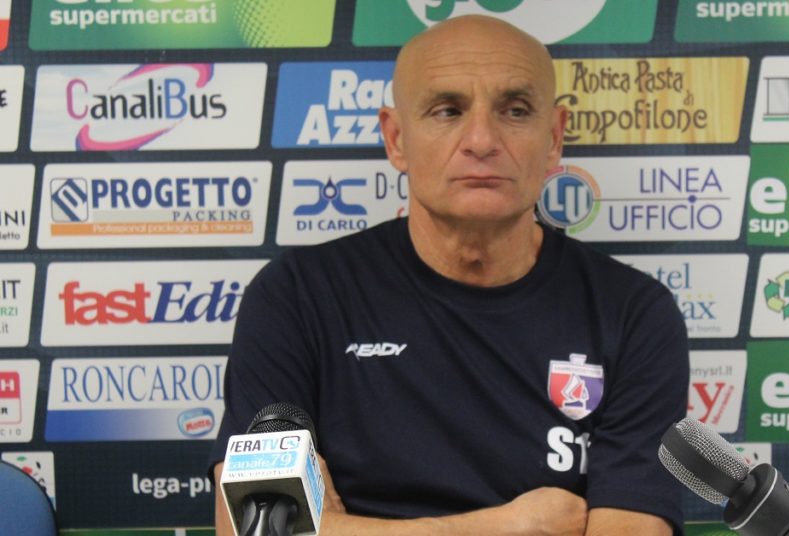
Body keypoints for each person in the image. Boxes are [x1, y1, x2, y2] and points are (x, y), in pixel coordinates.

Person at [210, 14, 689, 535]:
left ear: (553, 138)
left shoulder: (633, 313)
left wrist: (340, 528)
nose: (481, 139)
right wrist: (510, 527)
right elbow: (254, 528)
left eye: (515, 110)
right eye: (447, 110)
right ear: (396, 139)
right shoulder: (298, 296)